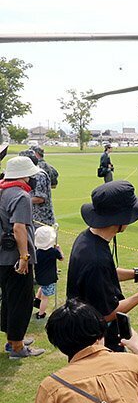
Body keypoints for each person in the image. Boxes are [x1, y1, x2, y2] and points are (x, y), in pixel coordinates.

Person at [66, 180, 138, 352]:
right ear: (120, 219)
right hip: (97, 343)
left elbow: (107, 274)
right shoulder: (96, 258)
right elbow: (107, 314)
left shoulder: (88, 238)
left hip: (86, 333)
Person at [34, 299, 138, 403]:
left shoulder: (50, 388)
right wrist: (137, 348)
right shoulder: (132, 363)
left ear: (58, 343)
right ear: (100, 332)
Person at [0, 157, 45, 359]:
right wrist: (24, 256)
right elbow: (19, 227)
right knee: (21, 300)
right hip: (15, 258)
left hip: (2, 255)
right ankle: (17, 347)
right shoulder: (21, 196)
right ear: (23, 175)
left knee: (9, 299)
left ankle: (13, 339)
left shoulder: (2, 191)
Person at [33, 225, 63, 320]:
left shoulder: (37, 252)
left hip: (39, 276)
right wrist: (59, 249)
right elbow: (62, 258)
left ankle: (37, 300)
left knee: (42, 287)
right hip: (49, 277)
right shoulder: (53, 252)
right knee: (45, 297)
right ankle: (41, 313)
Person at [19, 149, 55, 227]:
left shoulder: (39, 175)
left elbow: (40, 198)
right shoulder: (28, 174)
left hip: (41, 220)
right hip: (31, 218)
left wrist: (19, 200)